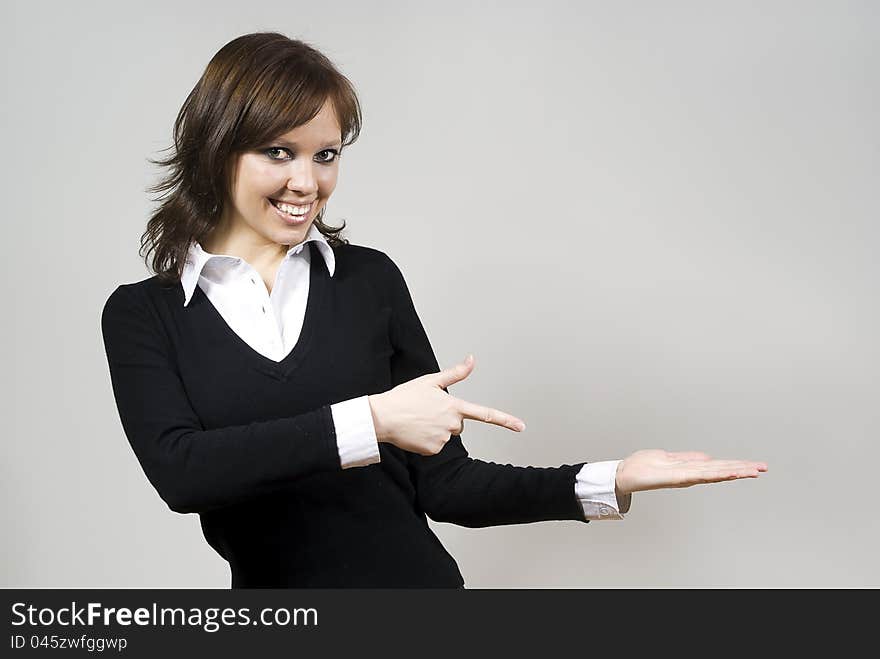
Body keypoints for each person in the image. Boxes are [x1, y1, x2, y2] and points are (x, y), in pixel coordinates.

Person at [100, 32, 768, 588]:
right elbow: (184, 472)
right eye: (280, 152)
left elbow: (447, 485)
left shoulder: (368, 282)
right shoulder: (145, 316)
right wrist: (375, 419)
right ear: (218, 150)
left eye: (325, 155)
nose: (308, 182)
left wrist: (610, 479)